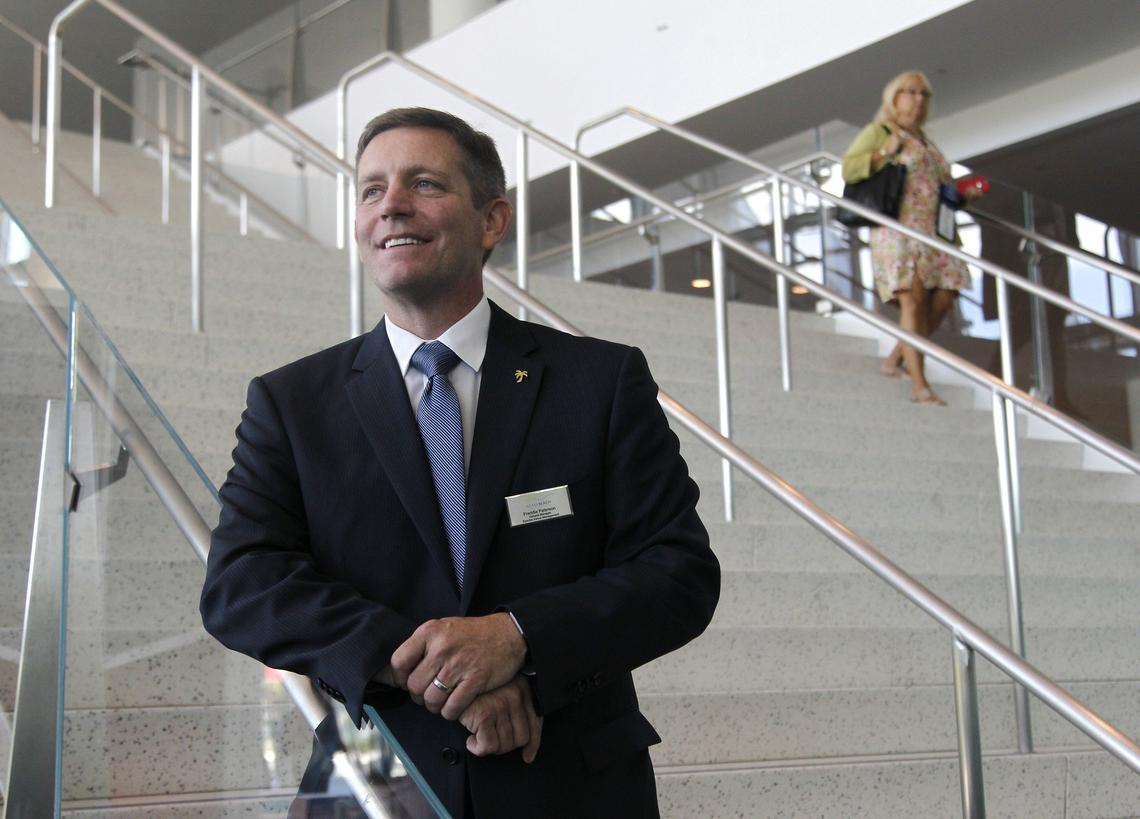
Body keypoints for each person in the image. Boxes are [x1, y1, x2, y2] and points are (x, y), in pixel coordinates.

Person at [200, 107, 720, 818]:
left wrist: (519, 641)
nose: (392, 206)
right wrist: (432, 666)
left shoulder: (600, 383)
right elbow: (242, 582)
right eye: (371, 189)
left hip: (569, 778)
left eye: (424, 184)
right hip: (373, 767)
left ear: (492, 220)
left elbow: (679, 571)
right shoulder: (291, 403)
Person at [841, 70, 982, 405]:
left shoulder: (927, 142)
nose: (918, 99)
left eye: (924, 94)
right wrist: (883, 152)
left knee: (946, 297)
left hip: (936, 234)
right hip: (899, 230)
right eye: (911, 92)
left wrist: (963, 196)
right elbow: (849, 169)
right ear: (894, 97)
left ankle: (895, 359)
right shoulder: (880, 132)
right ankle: (920, 385)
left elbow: (936, 188)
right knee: (913, 301)